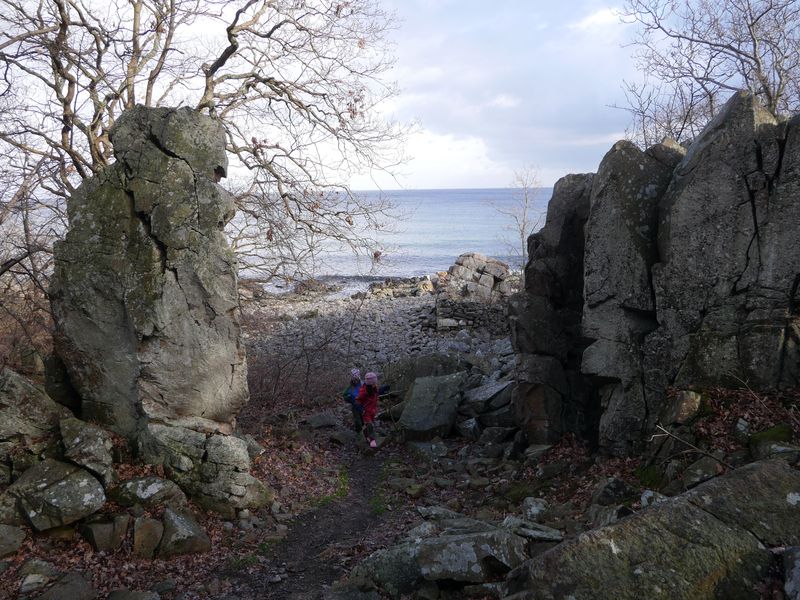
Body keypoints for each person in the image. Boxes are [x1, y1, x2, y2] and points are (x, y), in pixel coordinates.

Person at [355, 371, 380, 448]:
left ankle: (366, 436)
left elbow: (376, 395)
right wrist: (361, 410)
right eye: (374, 383)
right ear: (371, 383)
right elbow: (357, 400)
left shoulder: (374, 388)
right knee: (369, 424)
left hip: (372, 410)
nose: (376, 384)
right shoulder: (364, 391)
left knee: (368, 425)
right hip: (366, 411)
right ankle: (372, 440)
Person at [342, 368, 363, 433]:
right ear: (352, 379)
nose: (355, 380)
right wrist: (349, 398)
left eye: (356, 379)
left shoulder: (362, 384)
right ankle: (359, 433)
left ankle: (364, 433)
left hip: (363, 406)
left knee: (363, 420)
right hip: (355, 407)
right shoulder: (350, 387)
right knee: (358, 422)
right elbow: (344, 395)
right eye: (354, 379)